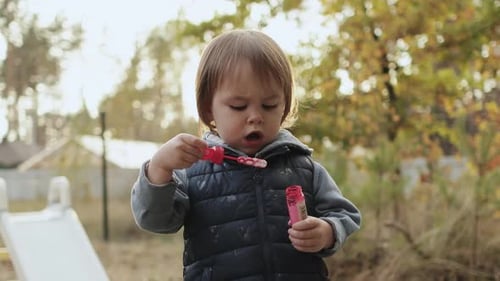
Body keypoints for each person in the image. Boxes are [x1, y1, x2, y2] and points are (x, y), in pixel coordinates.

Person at [131, 29, 361, 281]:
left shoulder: (303, 167)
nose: (255, 116)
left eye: (269, 105)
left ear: (284, 105)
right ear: (209, 110)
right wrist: (160, 168)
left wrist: (327, 232)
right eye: (239, 106)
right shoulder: (193, 172)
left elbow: (344, 214)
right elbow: (156, 221)